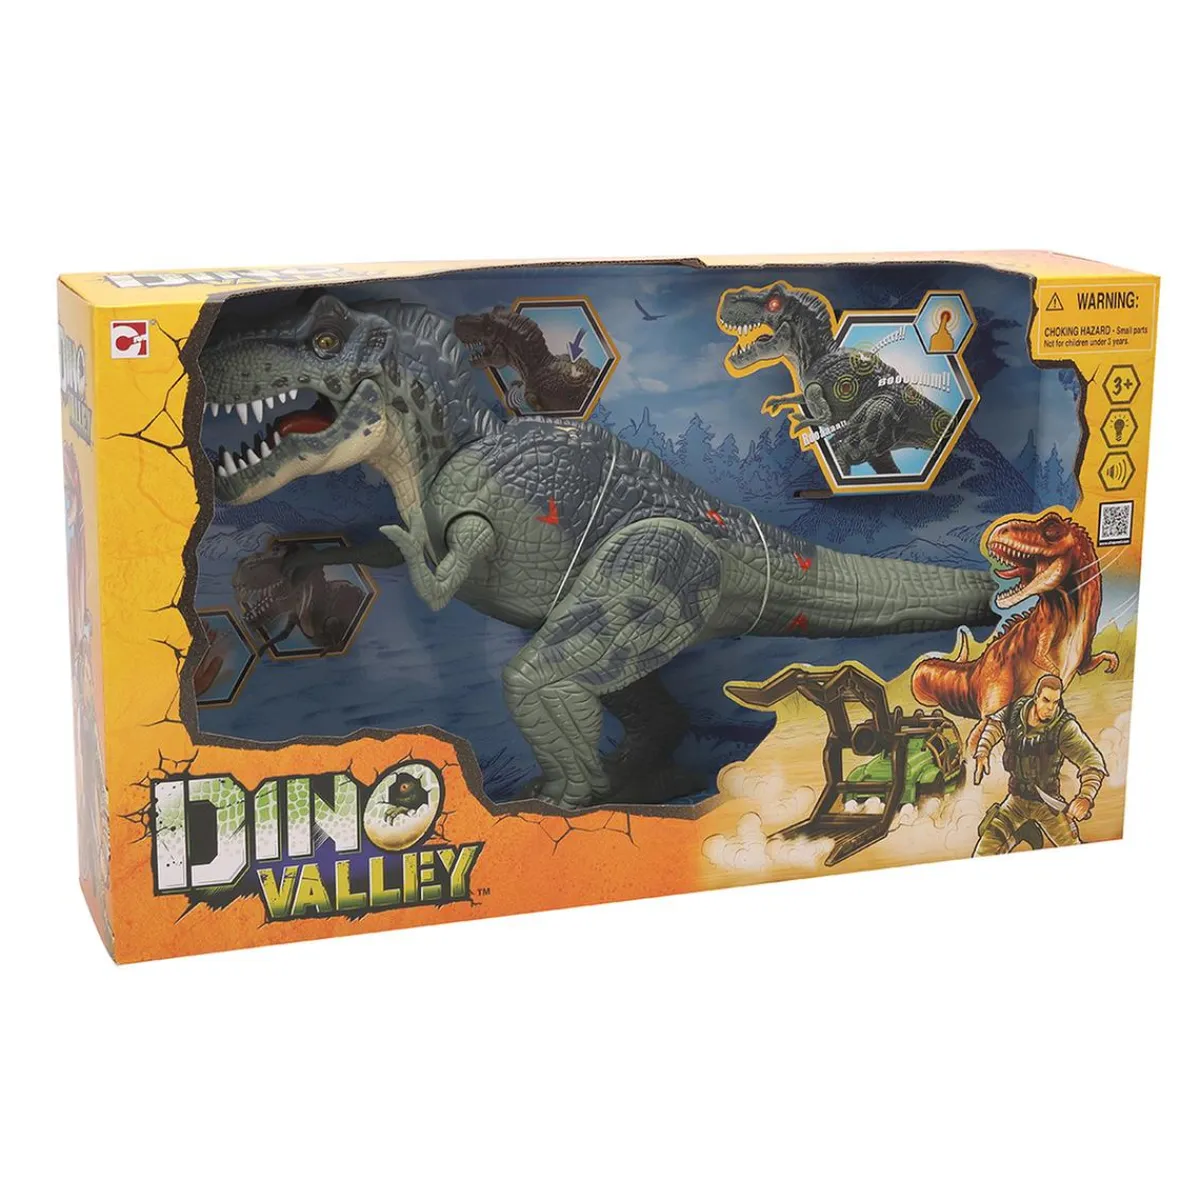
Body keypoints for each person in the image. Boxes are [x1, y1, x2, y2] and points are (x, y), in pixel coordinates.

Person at [972, 674, 1106, 855]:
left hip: (1048, 805)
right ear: (1036, 698)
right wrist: (983, 750)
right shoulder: (1015, 712)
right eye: (1046, 700)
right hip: (1015, 802)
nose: (1050, 708)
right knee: (983, 852)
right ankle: (1021, 832)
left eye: (1055, 702)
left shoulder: (1064, 727)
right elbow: (996, 725)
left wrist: (1086, 797)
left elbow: (1091, 760)